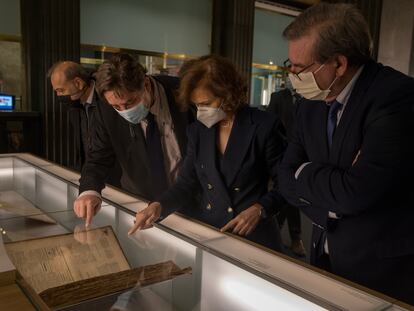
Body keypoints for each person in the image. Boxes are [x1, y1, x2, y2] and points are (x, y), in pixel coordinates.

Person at [277, 3, 414, 304]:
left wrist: (306, 172)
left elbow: (357, 192)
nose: (292, 74)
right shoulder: (311, 102)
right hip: (324, 255)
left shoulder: (397, 97)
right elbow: (284, 177)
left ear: (338, 64)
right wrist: (330, 196)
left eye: (299, 67)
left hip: (381, 271)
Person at [129, 55, 286, 252]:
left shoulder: (264, 126)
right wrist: (158, 206)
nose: (200, 111)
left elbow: (287, 185)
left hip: (253, 234)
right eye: (196, 105)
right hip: (211, 231)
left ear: (229, 94)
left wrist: (260, 209)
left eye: (206, 103)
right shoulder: (198, 131)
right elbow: (186, 183)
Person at [73, 53, 195, 226]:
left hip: (189, 208)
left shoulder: (184, 93)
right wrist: (89, 191)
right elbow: (98, 157)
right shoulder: (105, 109)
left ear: (145, 84)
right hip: (140, 206)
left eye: (130, 102)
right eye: (117, 106)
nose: (124, 111)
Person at [48, 61, 122, 185]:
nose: (58, 95)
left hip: (115, 179)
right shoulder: (74, 105)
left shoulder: (108, 99)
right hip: (92, 176)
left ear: (78, 83)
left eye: (61, 90)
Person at [267, 88, 306, 257]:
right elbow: (269, 122)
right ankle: (295, 237)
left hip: (304, 154)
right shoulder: (279, 96)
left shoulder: (312, 96)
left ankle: (278, 230)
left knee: (291, 194)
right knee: (288, 194)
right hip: (282, 153)